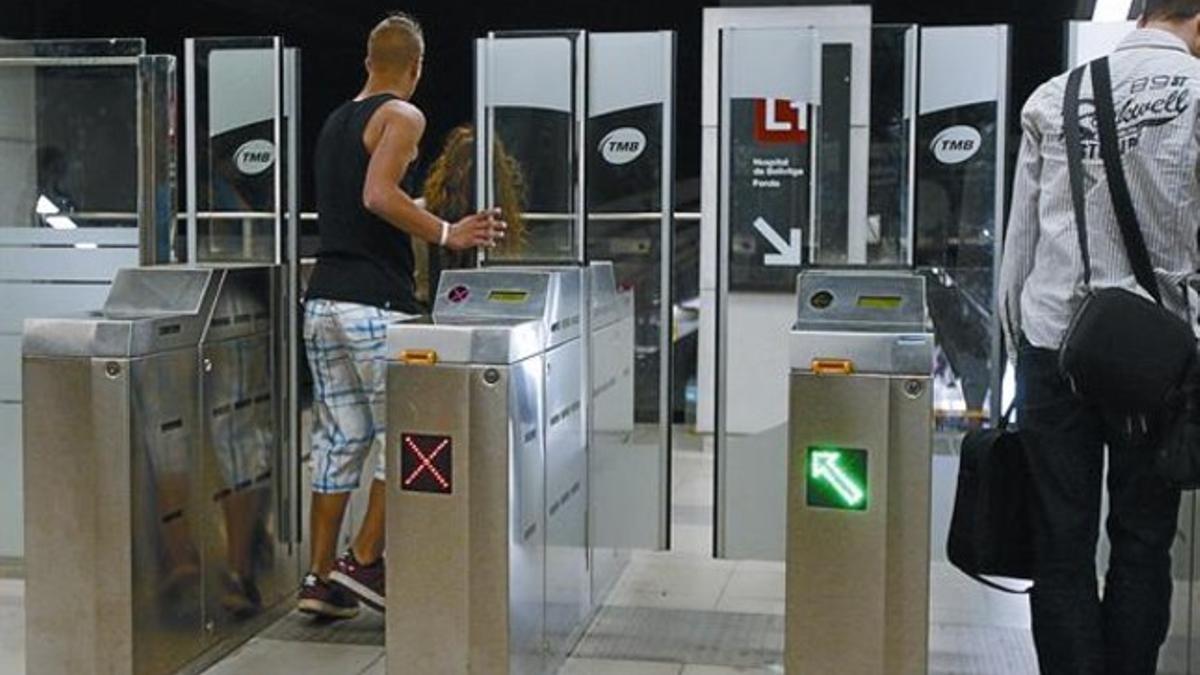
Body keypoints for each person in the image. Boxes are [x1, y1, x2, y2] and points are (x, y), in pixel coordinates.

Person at [998, 2, 1200, 672]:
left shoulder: (1054, 97)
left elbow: (1016, 259)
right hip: (1156, 362)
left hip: (1054, 348)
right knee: (1143, 544)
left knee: (1060, 546)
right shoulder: (1196, 95)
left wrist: (1023, 350)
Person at [298, 11, 504, 619]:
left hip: (323, 300)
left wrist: (422, 205)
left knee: (338, 439)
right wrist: (447, 230)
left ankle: (320, 578)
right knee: (401, 438)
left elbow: (360, 205)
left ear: (368, 62)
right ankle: (365, 561)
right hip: (375, 305)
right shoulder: (403, 114)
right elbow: (376, 196)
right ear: (415, 68)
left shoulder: (338, 120)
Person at [413, 124, 529, 302]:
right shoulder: (420, 213)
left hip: (456, 304)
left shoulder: (499, 219)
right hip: (439, 305)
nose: (468, 175)